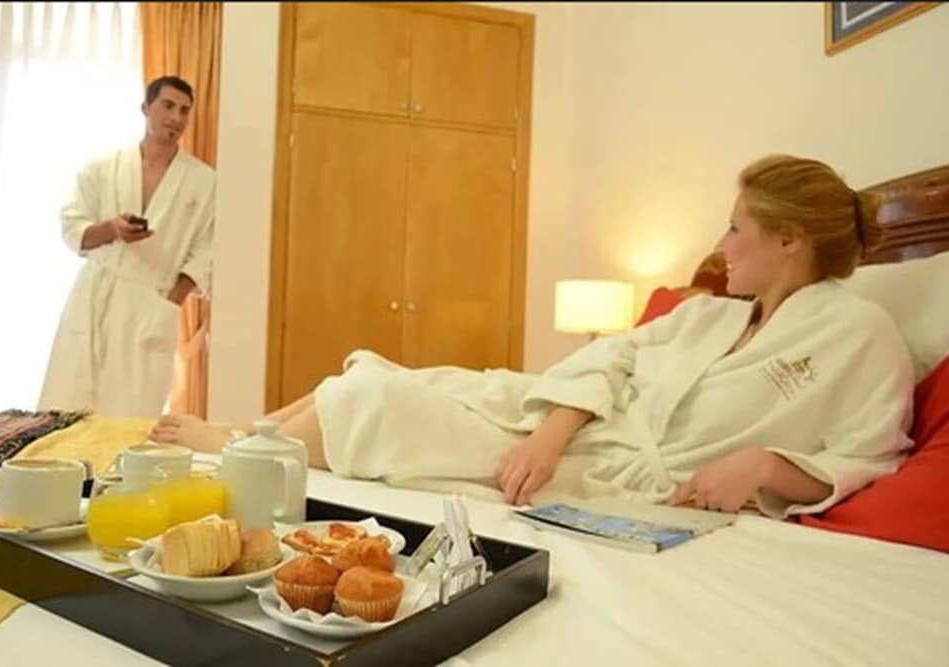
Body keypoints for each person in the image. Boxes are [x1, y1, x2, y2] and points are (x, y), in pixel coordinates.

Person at [152, 155, 914, 518]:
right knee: (399, 378)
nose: (722, 245)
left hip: (613, 471)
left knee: (379, 402)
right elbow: (612, 353)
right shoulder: (711, 313)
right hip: (569, 427)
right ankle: (245, 436)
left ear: (789, 239)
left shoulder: (859, 334)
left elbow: (871, 453)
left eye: (736, 227)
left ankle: (238, 450)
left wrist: (766, 466)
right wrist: (551, 430)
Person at [39, 76, 215, 419]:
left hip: (153, 299)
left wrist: (172, 301)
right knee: (70, 400)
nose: (176, 118)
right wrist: (112, 229)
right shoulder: (102, 169)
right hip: (96, 291)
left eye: (184, 110)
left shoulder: (205, 182)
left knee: (134, 409)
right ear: (146, 108)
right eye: (167, 106)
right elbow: (72, 228)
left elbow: (207, 251)